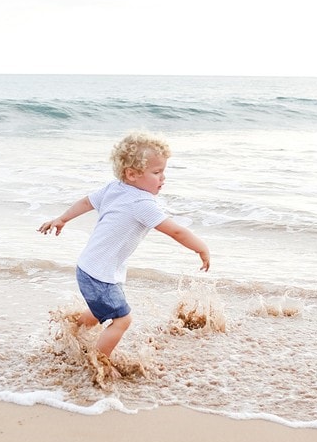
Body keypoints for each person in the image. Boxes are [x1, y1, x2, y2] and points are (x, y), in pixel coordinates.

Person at [39, 131, 210, 357]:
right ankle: (99, 361)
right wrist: (201, 248)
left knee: (98, 311)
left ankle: (72, 329)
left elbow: (86, 202)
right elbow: (175, 231)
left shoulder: (114, 188)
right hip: (100, 275)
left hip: (90, 268)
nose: (163, 178)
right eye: (157, 172)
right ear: (131, 174)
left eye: (163, 171)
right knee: (122, 320)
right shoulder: (142, 203)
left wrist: (62, 218)